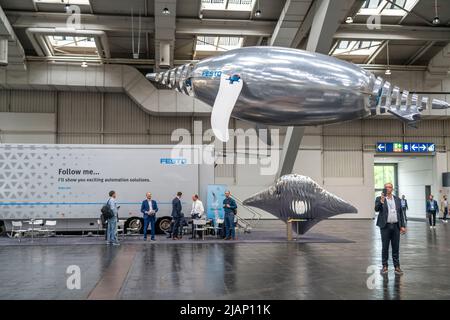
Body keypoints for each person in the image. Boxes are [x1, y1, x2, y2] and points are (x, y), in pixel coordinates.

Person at [375, 182, 406, 275]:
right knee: (385, 247)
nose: (388, 188)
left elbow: (400, 213)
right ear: (384, 189)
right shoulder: (379, 199)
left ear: (392, 189)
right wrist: (381, 201)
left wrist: (402, 226)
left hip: (396, 226)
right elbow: (376, 209)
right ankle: (385, 266)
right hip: (385, 226)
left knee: (395, 247)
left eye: (390, 187)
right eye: (386, 187)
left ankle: (397, 267)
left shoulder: (397, 199)